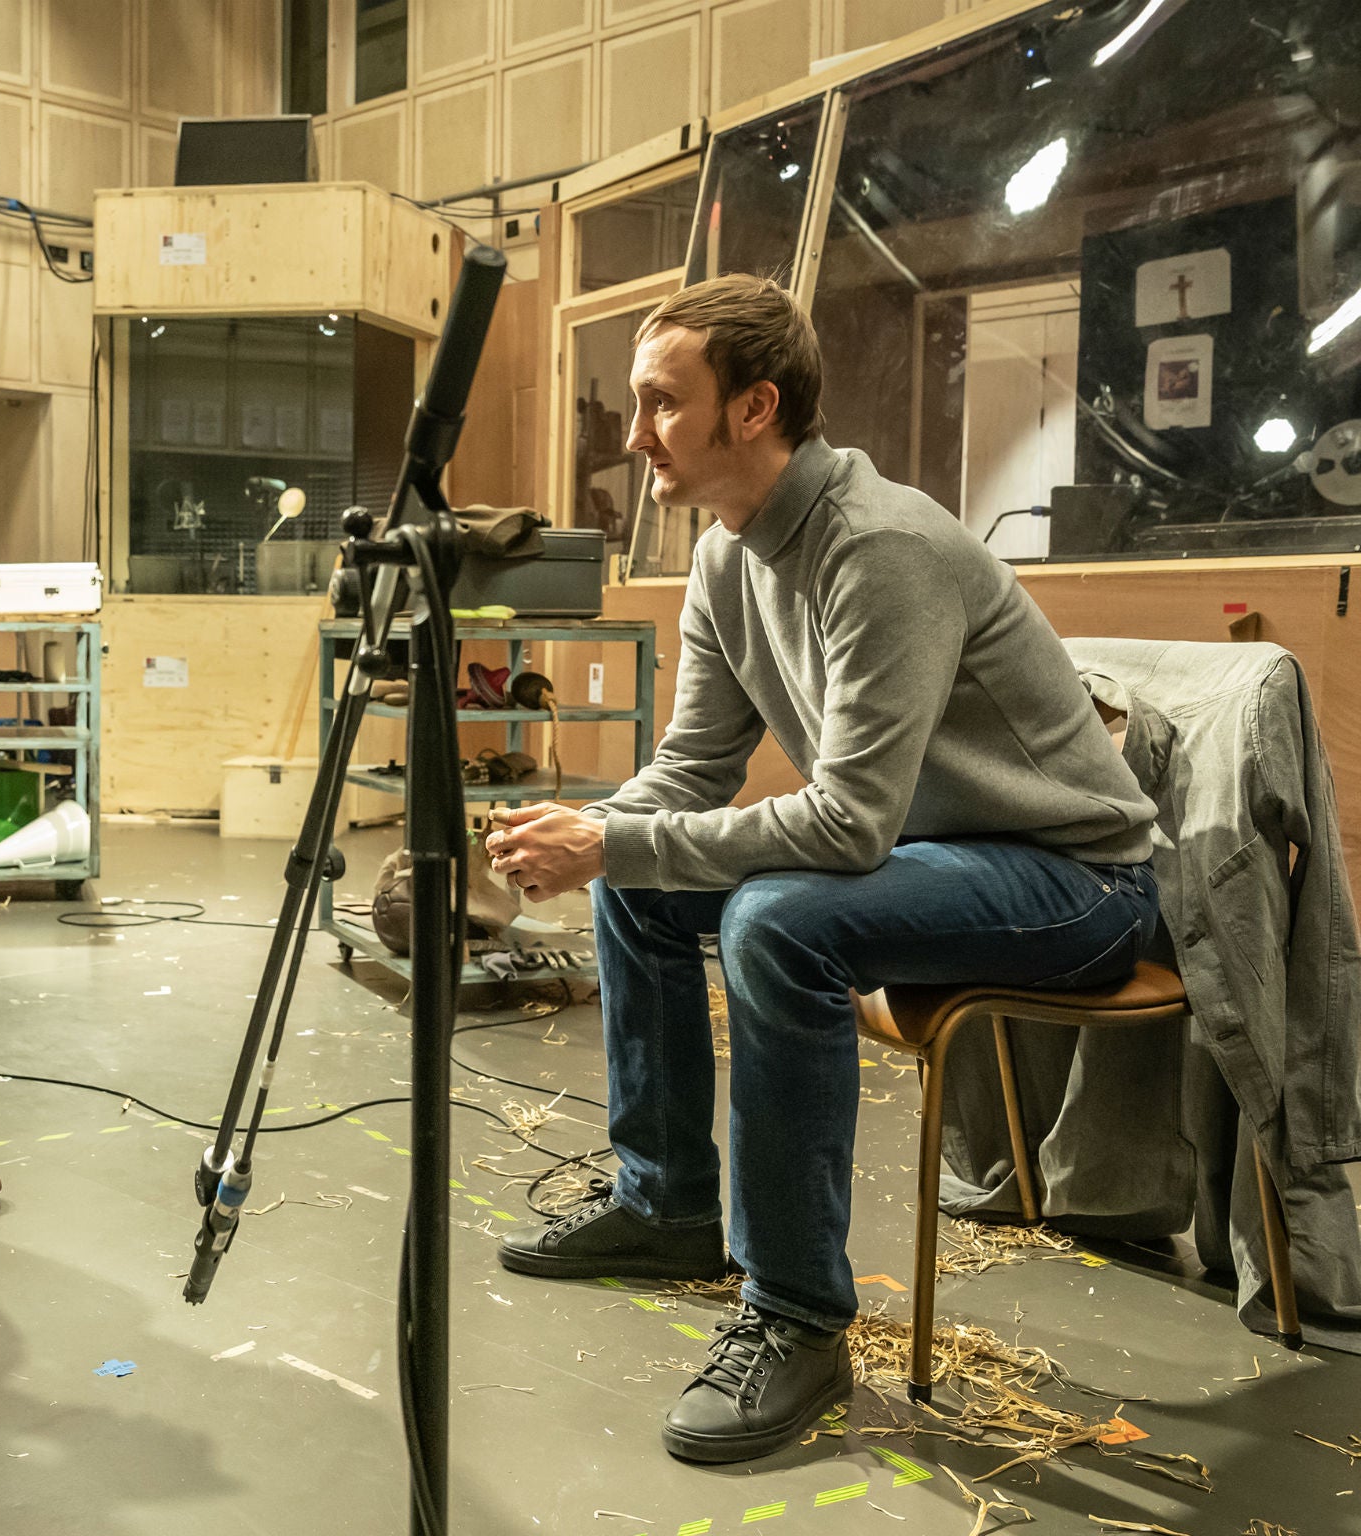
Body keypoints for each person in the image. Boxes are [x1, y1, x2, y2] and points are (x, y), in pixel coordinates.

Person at [484, 275, 1160, 1463]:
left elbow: (846, 826)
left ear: (752, 410)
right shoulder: (724, 556)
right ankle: (663, 1205)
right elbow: (690, 769)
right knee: (643, 878)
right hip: (929, 854)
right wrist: (583, 835)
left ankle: (795, 1315)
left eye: (659, 403)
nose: (632, 434)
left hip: (1076, 883)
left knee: (775, 921)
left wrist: (616, 837)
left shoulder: (877, 547)